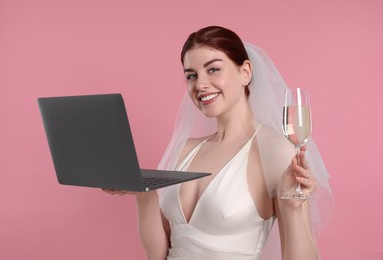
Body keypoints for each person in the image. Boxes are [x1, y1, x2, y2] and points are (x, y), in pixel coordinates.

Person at [104, 26, 333, 260]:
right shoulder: (185, 149)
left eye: (213, 69)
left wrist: (293, 207)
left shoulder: (275, 151)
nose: (200, 84)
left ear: (245, 72)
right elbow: (158, 254)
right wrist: (145, 194)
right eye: (191, 75)